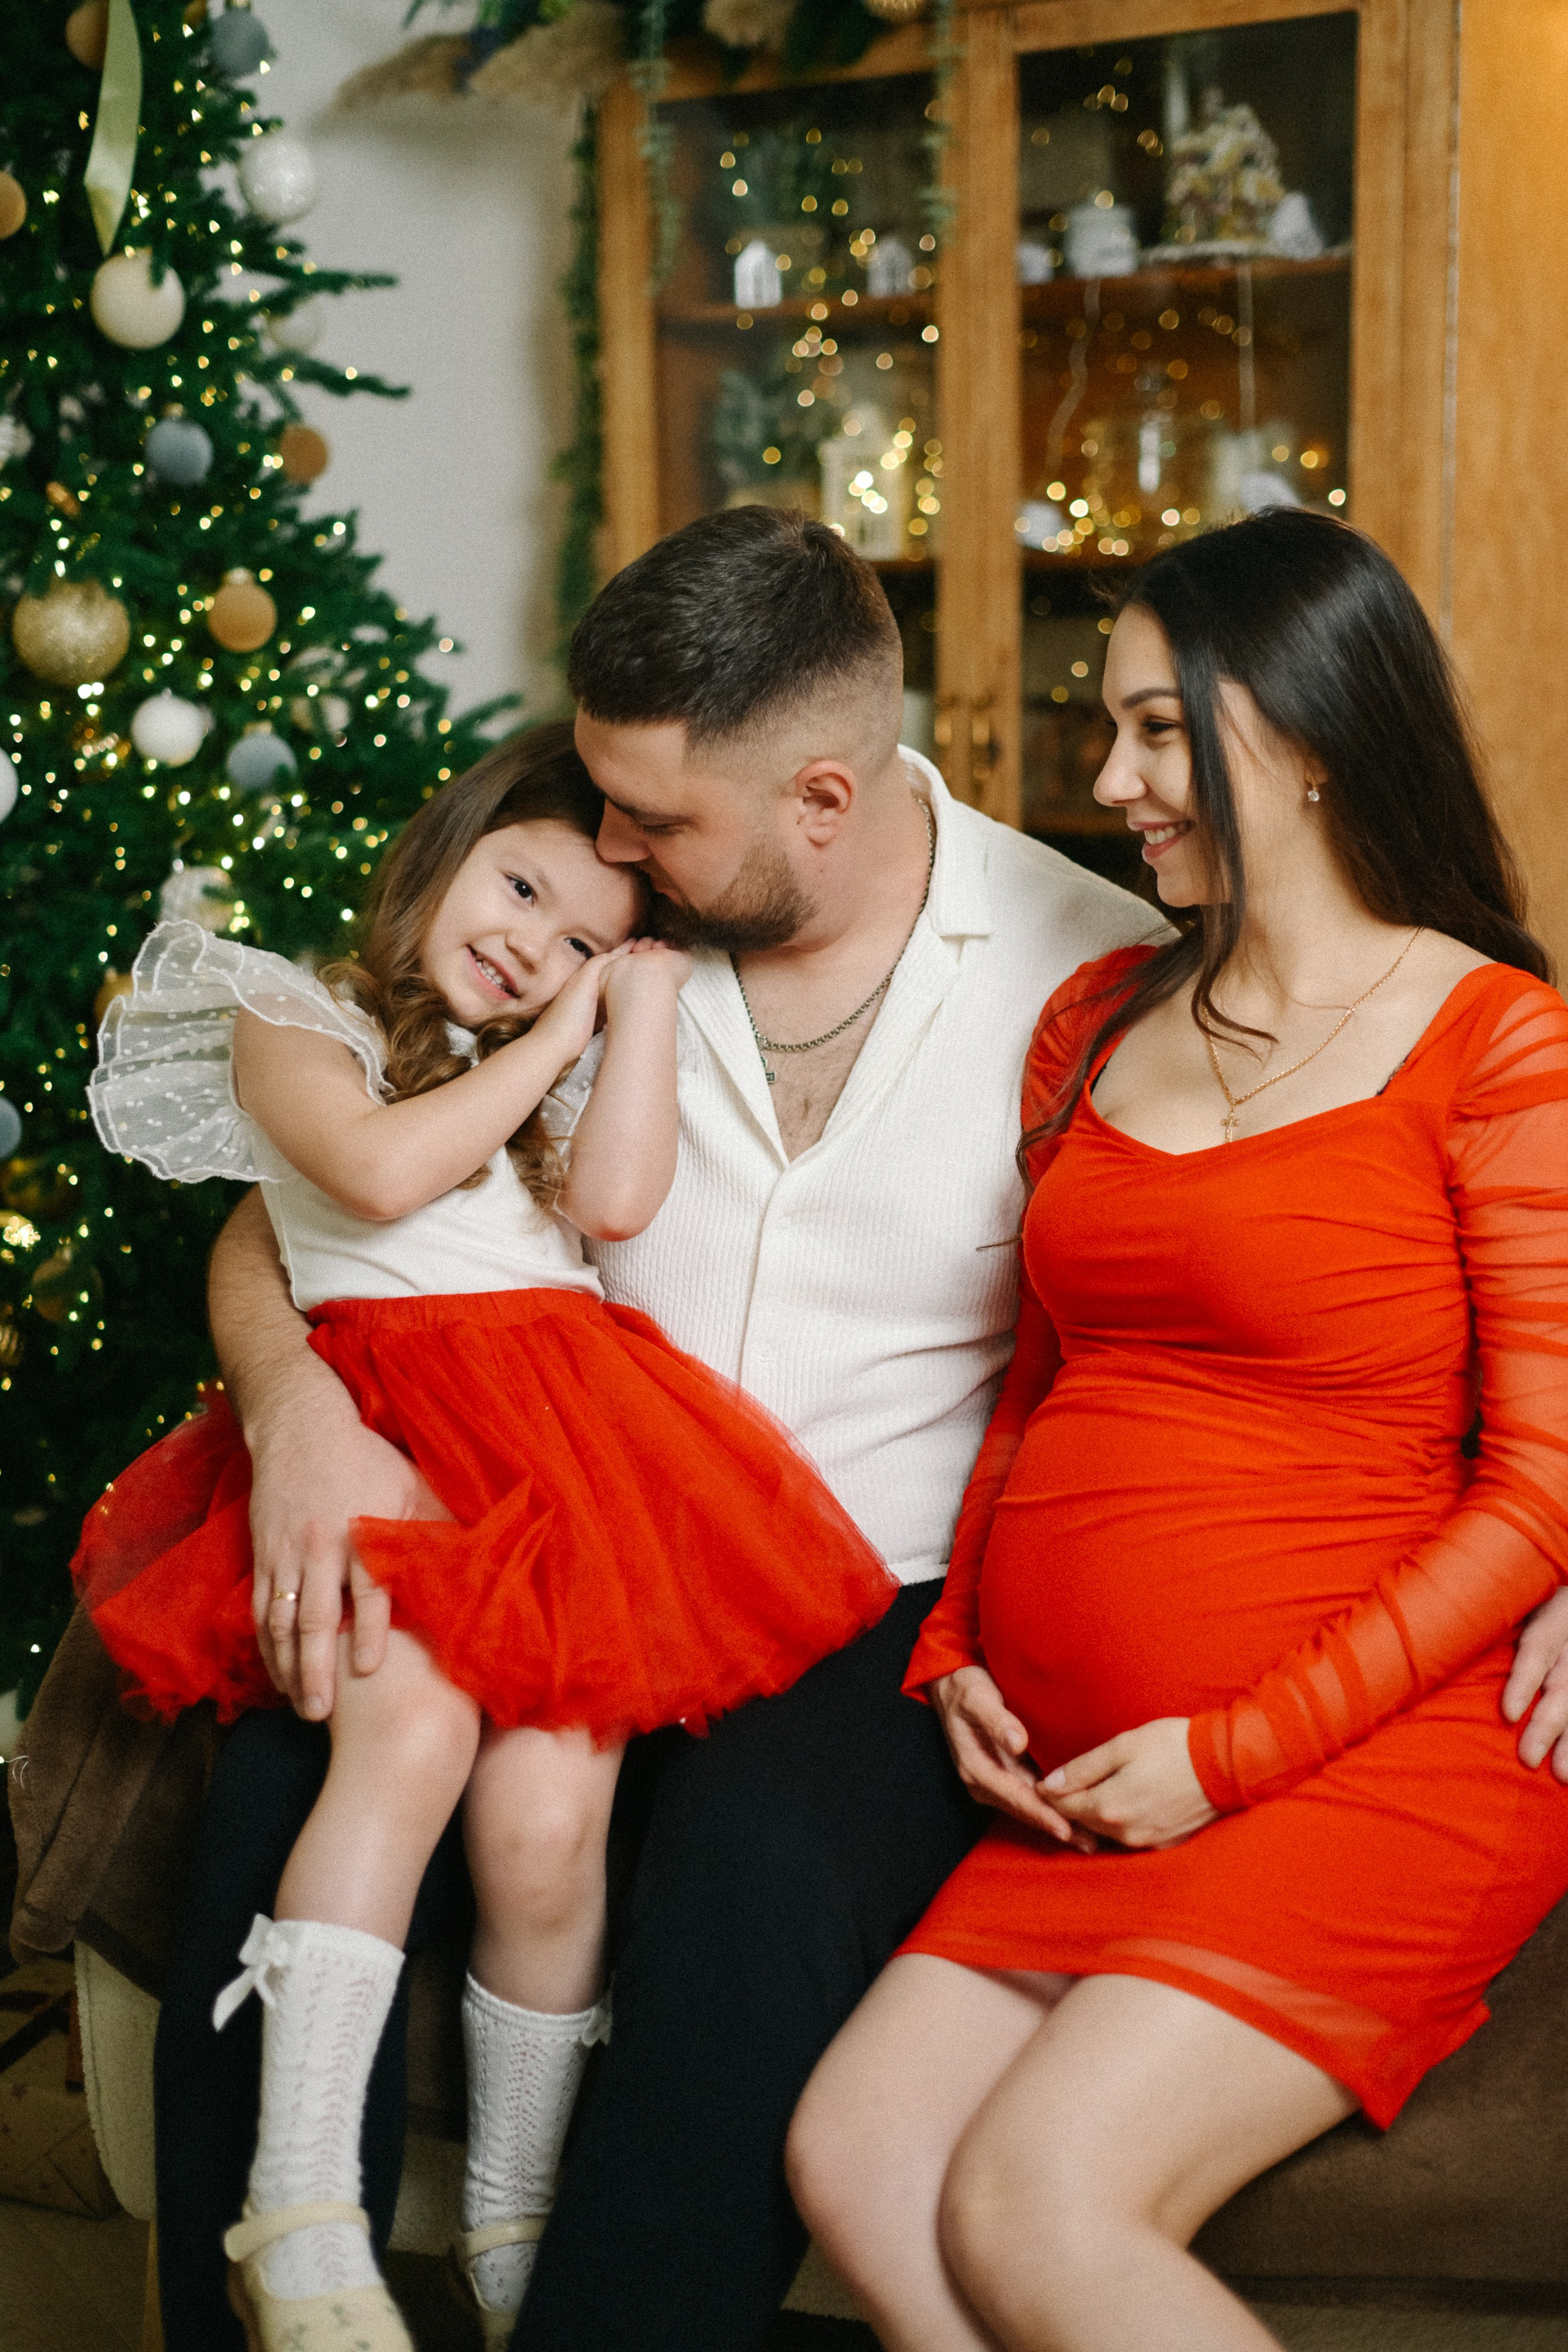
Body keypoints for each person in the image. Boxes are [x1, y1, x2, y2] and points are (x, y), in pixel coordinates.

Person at [146, 506, 1156, 2352]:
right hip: (515, 1528)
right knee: (275, 1786)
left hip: (861, 1598)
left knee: (739, 1912)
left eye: (652, 819)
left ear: (819, 802)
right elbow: (307, 1211)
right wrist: (293, 1412)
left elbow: (1174, 1339)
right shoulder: (572, 920)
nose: (608, 845)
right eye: (599, 809)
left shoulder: (1090, 972)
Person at [786, 509, 1568, 2352]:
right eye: (1111, 728)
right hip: (1089, 1777)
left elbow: (1544, 1489)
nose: (1110, 780)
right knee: (857, 2159)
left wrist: (1226, 1755)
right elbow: (1043, 1377)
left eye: (1156, 730)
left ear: (1303, 736)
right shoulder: (1096, 1017)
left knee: (1035, 2203)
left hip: (1361, 1764)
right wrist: (961, 1647)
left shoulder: (1496, 1042)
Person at [80, 723, 895, 2352]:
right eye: (521, 888)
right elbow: (381, 1174)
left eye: (584, 940)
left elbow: (616, 1205)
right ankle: (297, 2212)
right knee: (406, 1741)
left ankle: (516, 2224)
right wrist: (570, 1023)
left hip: (570, 1456)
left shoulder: (558, 1059)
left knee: (546, 1830)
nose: (534, 946)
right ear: (447, 847)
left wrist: (632, 1023)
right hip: (388, 1425)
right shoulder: (295, 1011)